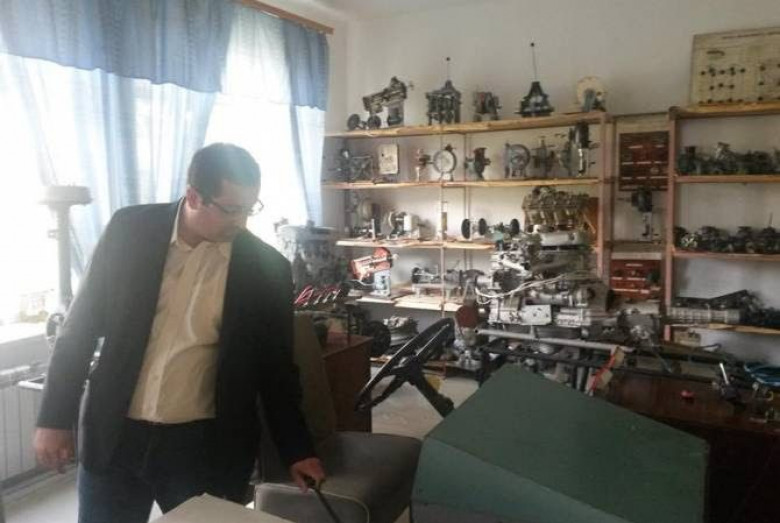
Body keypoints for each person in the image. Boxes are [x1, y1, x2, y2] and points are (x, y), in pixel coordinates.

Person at [33, 143, 325, 523]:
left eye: (249, 208)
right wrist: (54, 418)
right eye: (231, 209)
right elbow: (79, 328)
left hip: (202, 447)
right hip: (116, 434)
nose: (241, 222)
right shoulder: (129, 230)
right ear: (193, 196)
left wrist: (297, 449)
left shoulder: (267, 269)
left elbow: (276, 370)